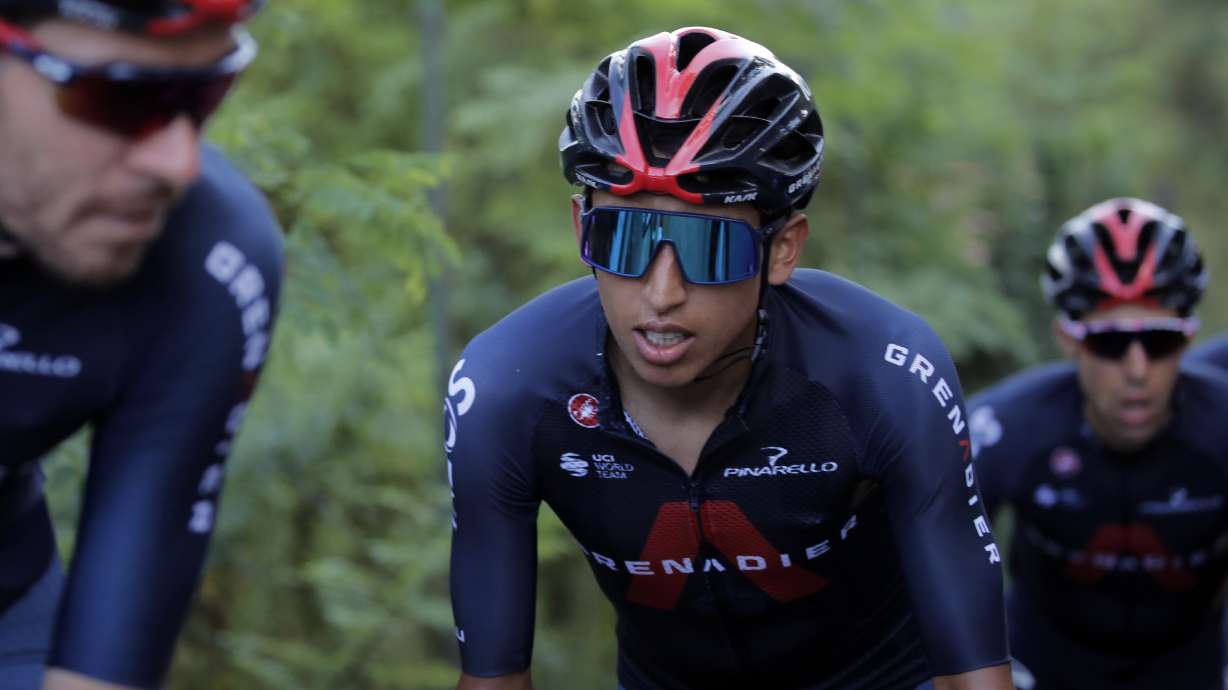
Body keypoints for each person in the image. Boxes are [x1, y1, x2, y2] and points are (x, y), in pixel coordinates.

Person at [446, 26, 1011, 690]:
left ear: (783, 250)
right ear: (580, 231)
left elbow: (975, 678)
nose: (661, 294)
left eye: (709, 247)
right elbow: (492, 679)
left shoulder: (884, 376)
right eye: (622, 239)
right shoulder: (508, 391)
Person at [0, 1, 281, 689]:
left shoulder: (207, 261)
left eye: (206, 94)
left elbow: (102, 669)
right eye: (121, 96)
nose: (177, 163)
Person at [969, 197, 1228, 689]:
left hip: (1191, 664)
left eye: (1160, 341)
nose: (1136, 371)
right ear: (1068, 337)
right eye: (1109, 342)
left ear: (1191, 338)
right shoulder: (1005, 426)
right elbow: (930, 570)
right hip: (1041, 665)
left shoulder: (1221, 423)